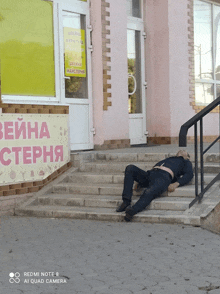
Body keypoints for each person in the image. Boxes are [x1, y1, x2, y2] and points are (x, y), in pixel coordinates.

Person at [116, 150, 194, 222]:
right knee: (130, 168)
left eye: (185, 151)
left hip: (163, 177)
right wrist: (140, 182)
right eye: (181, 150)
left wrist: (176, 183)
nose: (182, 150)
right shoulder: (168, 159)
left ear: (187, 157)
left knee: (149, 191)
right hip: (150, 174)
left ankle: (132, 211)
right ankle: (126, 201)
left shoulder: (186, 161)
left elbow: (189, 175)